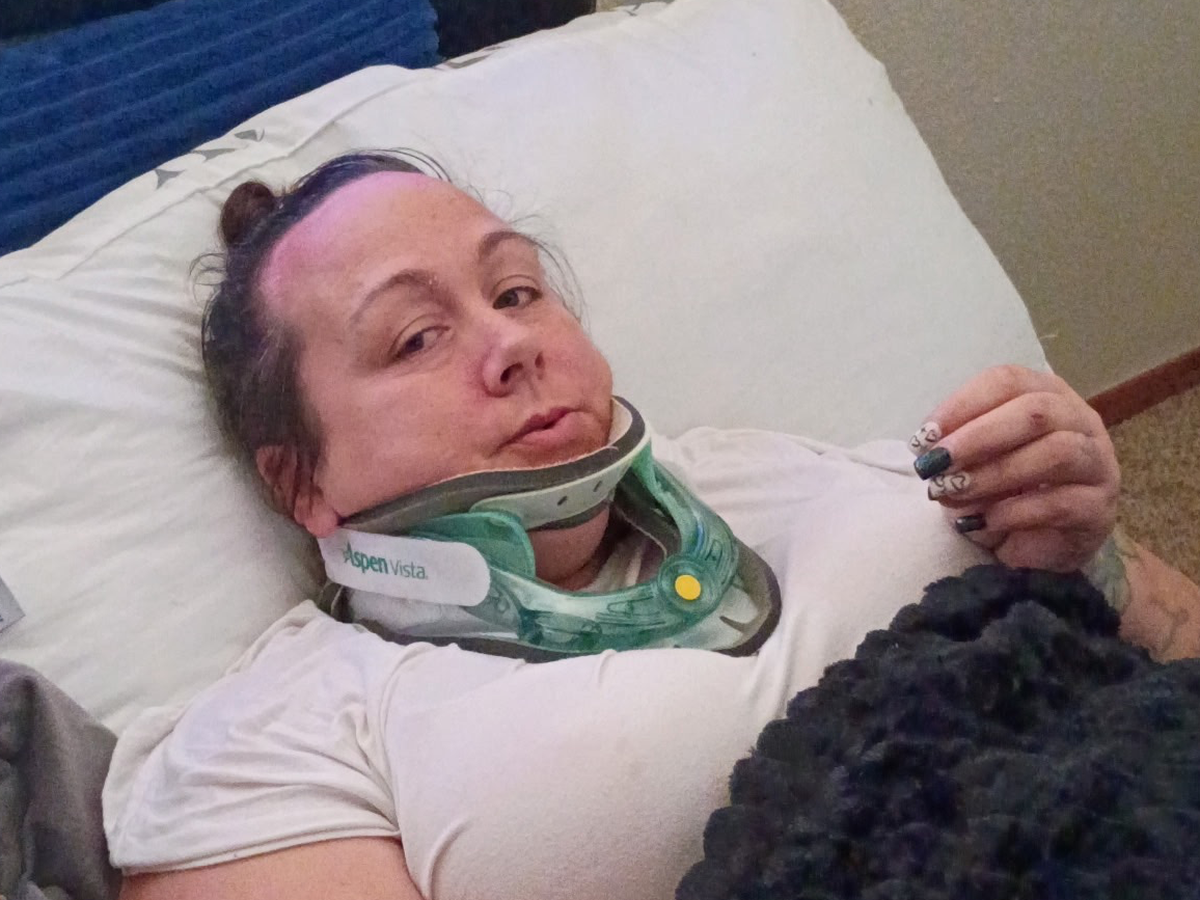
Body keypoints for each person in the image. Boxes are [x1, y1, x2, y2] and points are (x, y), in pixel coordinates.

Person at [104, 152, 1200, 900]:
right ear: (300, 484)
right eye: (415, 338)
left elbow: (1169, 640)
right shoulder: (272, 744)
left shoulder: (769, 464)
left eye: (517, 292)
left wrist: (1083, 552)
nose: (512, 344)